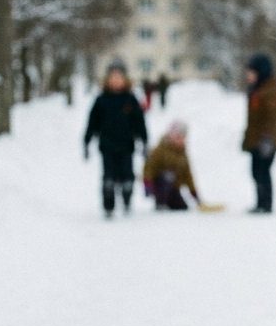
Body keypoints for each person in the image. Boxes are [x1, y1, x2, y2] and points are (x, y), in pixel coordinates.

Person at [83, 61, 148, 218]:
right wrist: (87, 141)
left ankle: (126, 199)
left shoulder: (131, 100)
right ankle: (108, 205)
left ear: (125, 80)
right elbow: (92, 122)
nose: (116, 81)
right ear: (107, 80)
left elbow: (139, 122)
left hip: (127, 145)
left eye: (119, 78)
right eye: (113, 78)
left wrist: (144, 140)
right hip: (107, 145)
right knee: (109, 178)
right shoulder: (101, 100)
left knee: (127, 176)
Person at [241, 52, 276, 213]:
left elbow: (270, 119)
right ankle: (260, 203)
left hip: (266, 142)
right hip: (255, 140)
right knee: (256, 171)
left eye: (251, 72)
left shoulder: (270, 91)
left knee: (262, 172)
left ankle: (266, 204)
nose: (248, 76)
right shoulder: (257, 90)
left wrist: (267, 140)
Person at [142, 120, 200, 210]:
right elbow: (149, 168)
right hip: (159, 185)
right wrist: (148, 185)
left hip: (174, 188)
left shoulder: (182, 154)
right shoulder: (160, 150)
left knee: (182, 207)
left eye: (183, 137)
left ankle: (169, 201)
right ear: (171, 136)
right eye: (178, 137)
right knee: (168, 176)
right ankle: (160, 203)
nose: (180, 139)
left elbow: (188, 175)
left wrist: (195, 195)